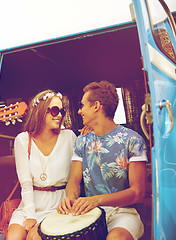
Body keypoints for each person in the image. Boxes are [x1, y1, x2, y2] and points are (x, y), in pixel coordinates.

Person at [57, 80, 147, 240]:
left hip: (124, 213)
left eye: (83, 105)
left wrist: (97, 200)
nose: (79, 111)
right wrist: (70, 198)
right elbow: (74, 181)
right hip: (91, 213)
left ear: (96, 106)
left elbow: (137, 193)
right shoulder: (81, 141)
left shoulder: (133, 140)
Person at [7, 90, 77, 240]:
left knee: (35, 237)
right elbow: (26, 184)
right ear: (40, 111)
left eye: (62, 111)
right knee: (13, 237)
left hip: (58, 204)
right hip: (30, 202)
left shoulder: (69, 138)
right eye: (54, 110)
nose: (59, 115)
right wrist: (30, 216)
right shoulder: (23, 140)